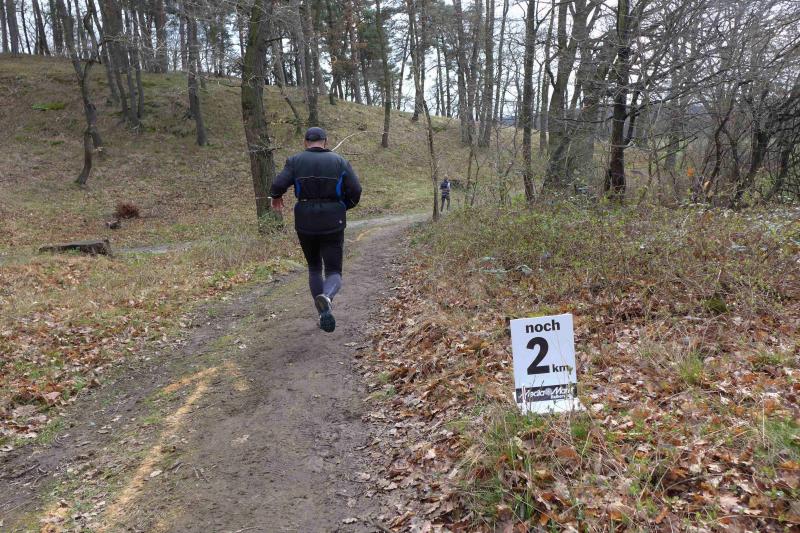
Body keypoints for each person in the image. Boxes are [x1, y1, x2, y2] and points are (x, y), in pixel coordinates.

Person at [269, 127, 362, 333]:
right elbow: (356, 190)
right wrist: (342, 206)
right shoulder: (339, 161)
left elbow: (278, 184)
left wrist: (276, 196)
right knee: (334, 271)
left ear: (305, 142)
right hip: (333, 221)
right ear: (325, 142)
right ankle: (327, 297)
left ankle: (322, 314)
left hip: (305, 220)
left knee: (313, 268)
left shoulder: (295, 161)